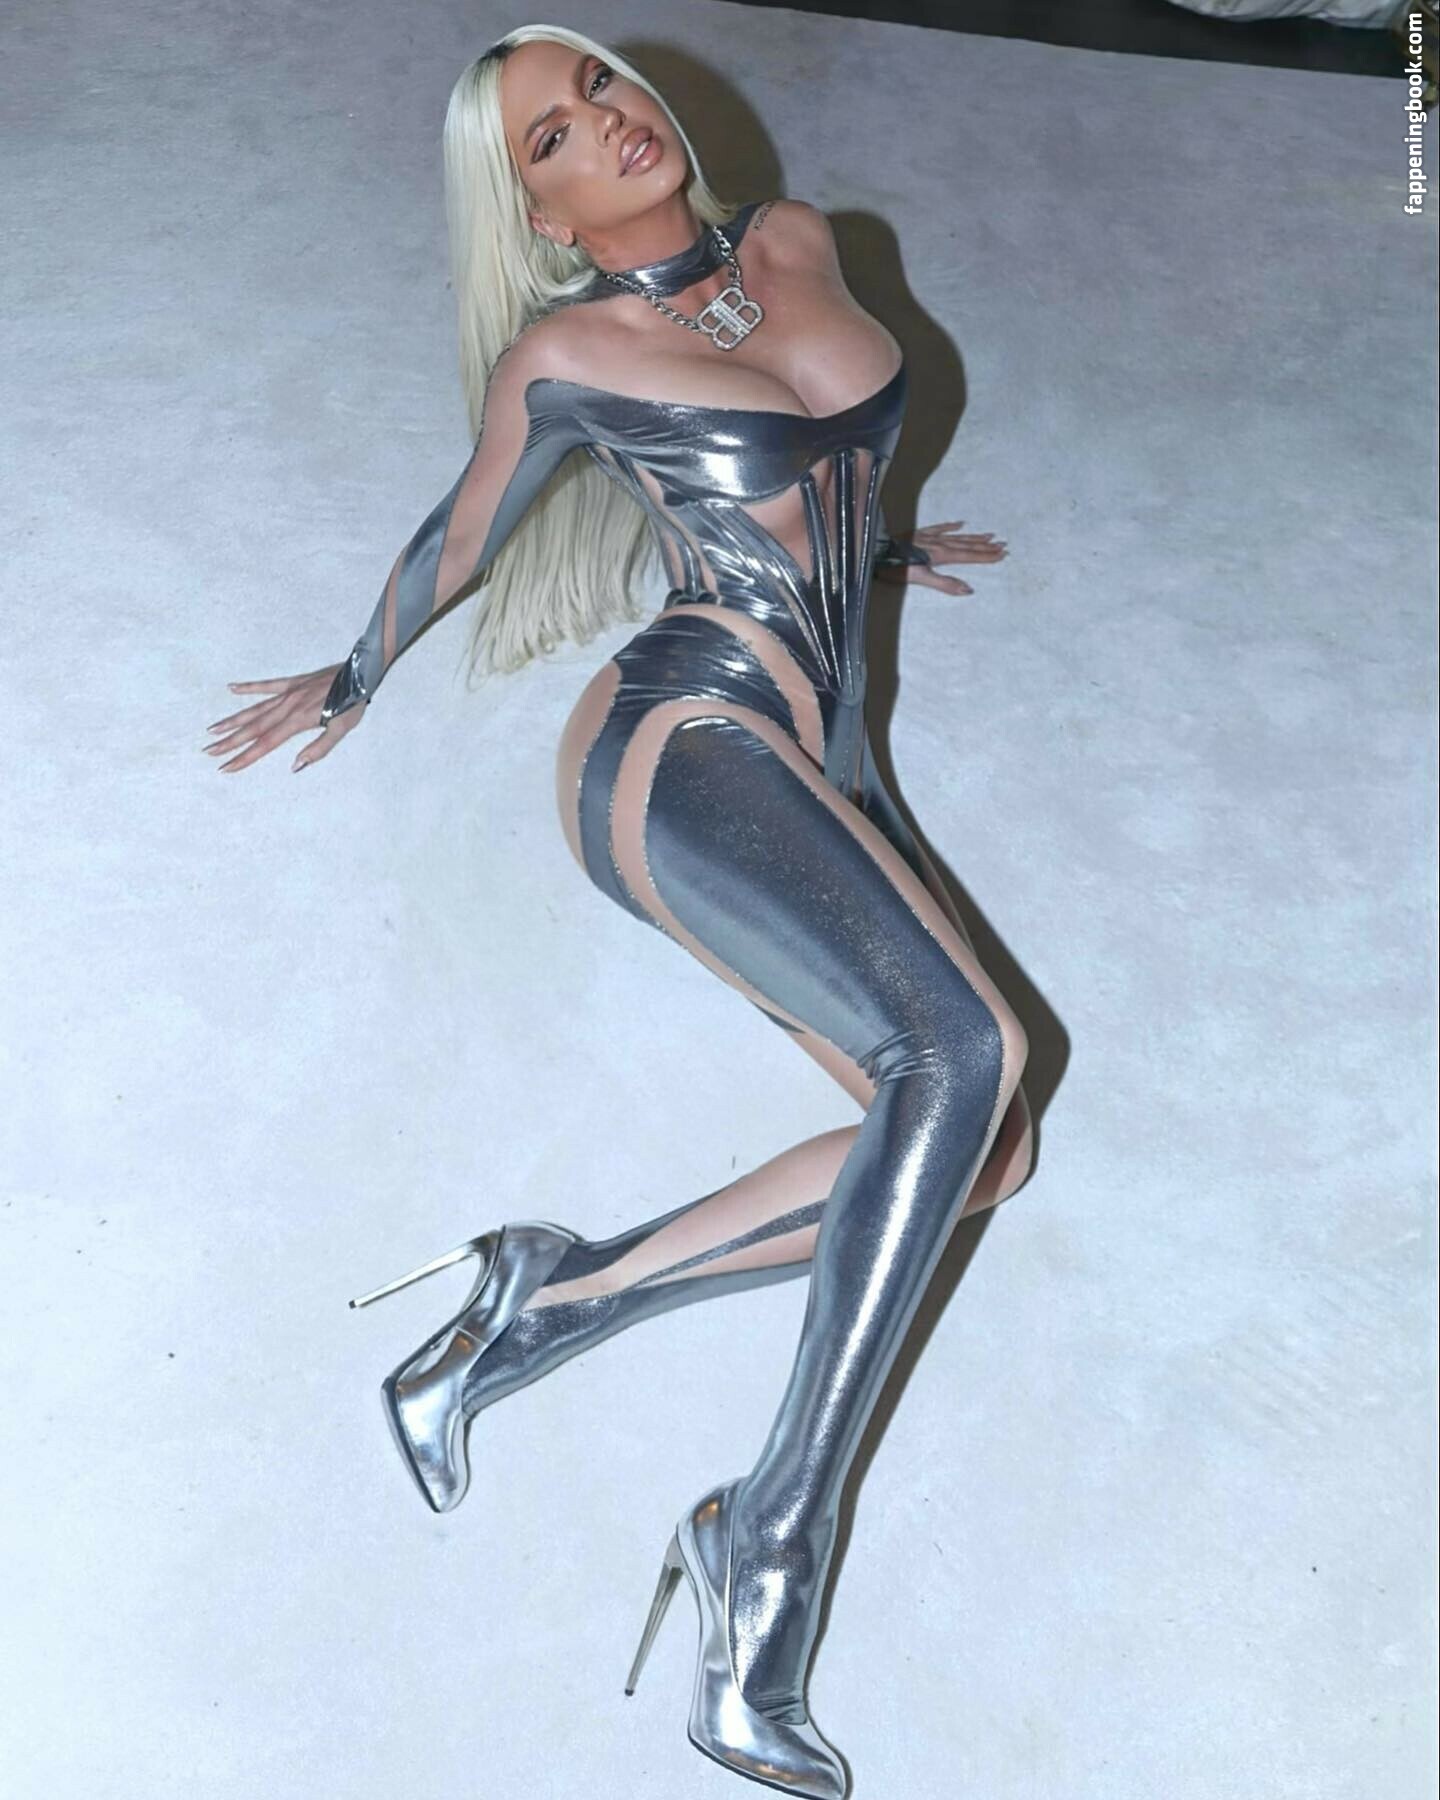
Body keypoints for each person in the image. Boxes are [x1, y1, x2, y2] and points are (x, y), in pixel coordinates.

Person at [204, 25, 1034, 1797]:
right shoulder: (568, 354)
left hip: (830, 763)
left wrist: (885, 540)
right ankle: (772, 1541)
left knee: (989, 1146)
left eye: (600, 88)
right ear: (542, 214)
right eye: (553, 139)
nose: (607, 124)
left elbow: (820, 442)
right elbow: (466, 528)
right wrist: (351, 673)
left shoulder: (805, 239)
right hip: (682, 743)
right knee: (964, 1054)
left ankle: (549, 1297)